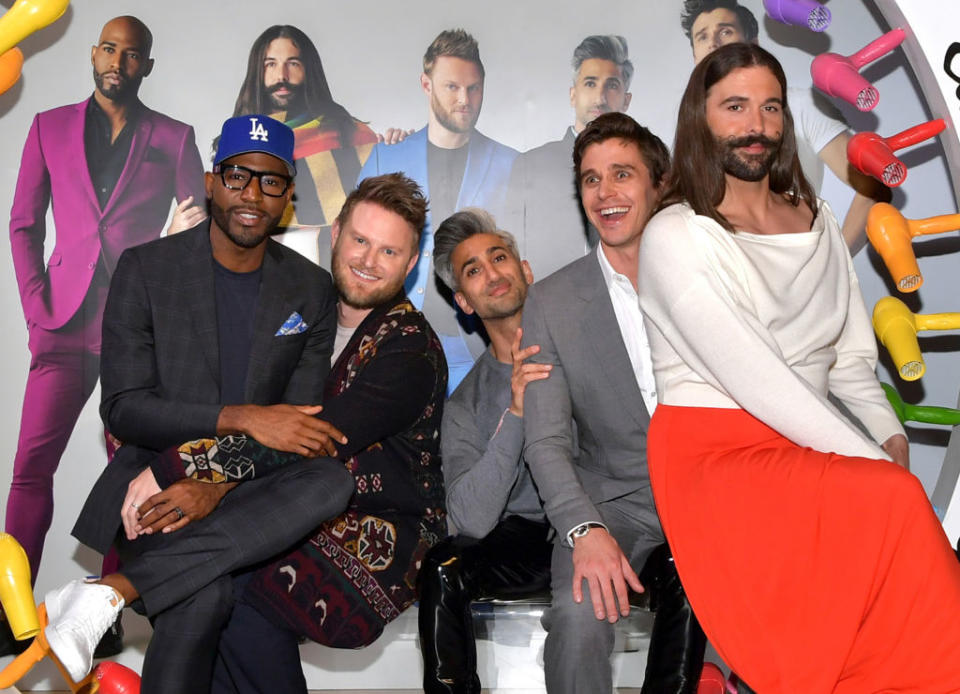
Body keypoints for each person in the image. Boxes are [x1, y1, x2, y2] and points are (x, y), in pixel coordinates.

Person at [637, 42, 960, 692]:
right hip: (715, 455)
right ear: (700, 119)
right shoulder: (676, 233)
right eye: (735, 106)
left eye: (771, 108)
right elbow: (759, 378)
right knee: (895, 503)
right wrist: (868, 460)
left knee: (891, 545)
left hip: (802, 440)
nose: (755, 124)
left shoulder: (817, 218)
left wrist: (885, 431)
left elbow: (846, 358)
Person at [46, 114, 356, 694]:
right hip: (153, 482)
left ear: (288, 197)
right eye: (239, 176)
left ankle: (108, 594)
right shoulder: (145, 270)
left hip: (249, 491)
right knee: (204, 592)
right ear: (212, 182)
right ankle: (106, 596)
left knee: (330, 479)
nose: (252, 195)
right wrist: (237, 418)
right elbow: (124, 408)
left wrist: (215, 482)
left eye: (270, 182)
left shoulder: (310, 290)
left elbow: (298, 432)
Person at [138, 173, 446, 693]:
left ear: (410, 263)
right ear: (336, 233)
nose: (369, 261)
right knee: (203, 589)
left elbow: (316, 435)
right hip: (287, 502)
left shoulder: (409, 348)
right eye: (360, 240)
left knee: (239, 588)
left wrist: (183, 469)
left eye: (389, 251)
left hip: (381, 531)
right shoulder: (300, 309)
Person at [4, 15, 205, 655]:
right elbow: (23, 224)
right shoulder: (48, 127)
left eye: (133, 53)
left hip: (134, 331)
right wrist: (37, 310)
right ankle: (9, 614)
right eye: (109, 48)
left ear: (148, 65)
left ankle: (107, 611)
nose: (118, 61)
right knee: (32, 471)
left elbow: (199, 234)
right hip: (61, 325)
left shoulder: (174, 138)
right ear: (94, 55)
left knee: (137, 471)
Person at [520, 112, 706, 693]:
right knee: (578, 619)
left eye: (622, 174)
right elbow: (546, 439)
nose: (606, 193)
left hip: (715, 487)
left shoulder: (710, 269)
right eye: (591, 180)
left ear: (659, 183)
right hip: (615, 504)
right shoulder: (551, 301)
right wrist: (582, 529)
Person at [417, 209, 553, 693]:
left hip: (608, 522)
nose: (493, 273)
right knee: (444, 566)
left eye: (499, 258)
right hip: (530, 543)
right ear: (463, 301)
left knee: (678, 563)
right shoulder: (464, 404)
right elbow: (470, 521)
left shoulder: (582, 349)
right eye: (474, 270)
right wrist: (515, 413)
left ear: (526, 270)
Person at [358, 29, 518, 392]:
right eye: (452, 87)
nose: (465, 99)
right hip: (395, 347)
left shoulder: (513, 164)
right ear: (426, 84)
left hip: (483, 350)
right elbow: (357, 252)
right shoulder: (386, 157)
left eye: (474, 88)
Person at [679, 0, 888, 252]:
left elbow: (874, 184)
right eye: (702, 37)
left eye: (725, 31)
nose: (713, 43)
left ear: (752, 42)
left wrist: (834, 262)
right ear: (693, 55)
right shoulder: (690, 129)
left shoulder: (800, 105)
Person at [228, 25, 380, 263]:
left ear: (310, 70)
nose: (282, 77)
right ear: (257, 72)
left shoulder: (352, 134)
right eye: (270, 64)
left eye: (293, 64)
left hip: (334, 271)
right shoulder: (237, 142)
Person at [505, 35, 633, 279]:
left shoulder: (645, 170)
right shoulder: (530, 166)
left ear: (626, 100)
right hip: (550, 305)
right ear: (573, 94)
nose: (600, 97)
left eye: (612, 85)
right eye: (590, 83)